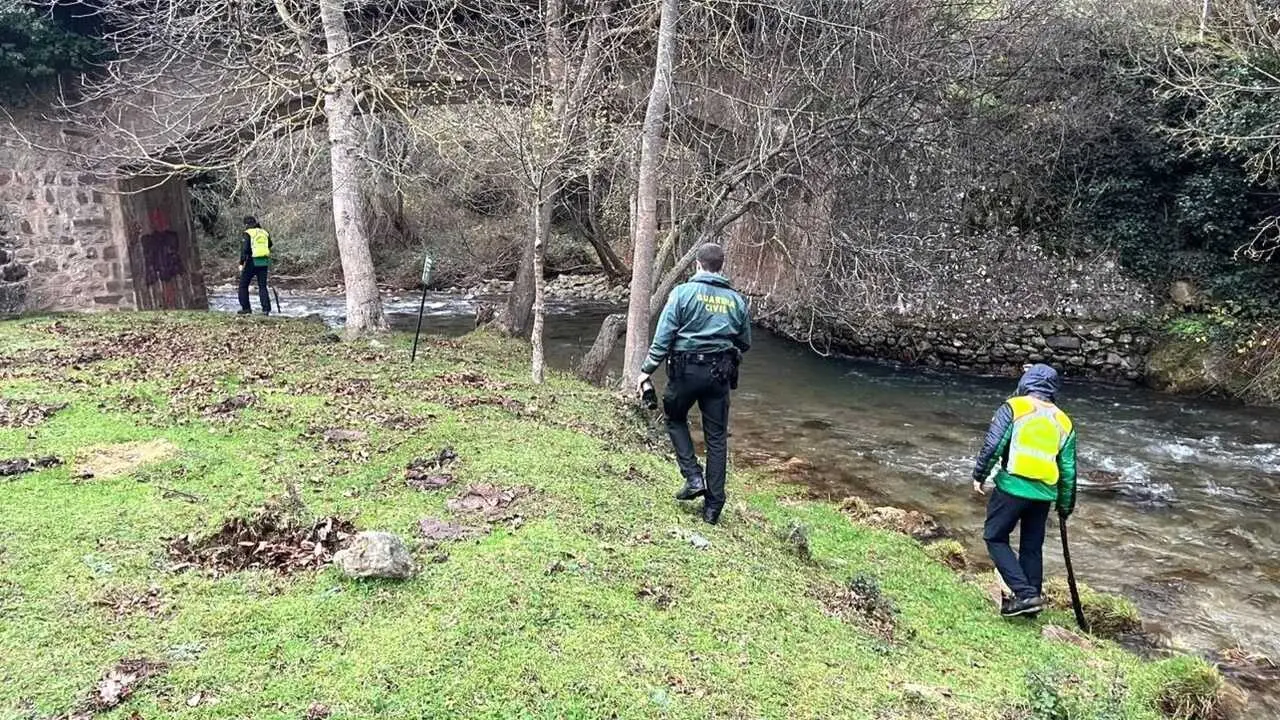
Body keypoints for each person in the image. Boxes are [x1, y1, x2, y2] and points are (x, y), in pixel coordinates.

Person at [637, 243, 751, 525]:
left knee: (674, 418)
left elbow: (664, 338)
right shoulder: (736, 300)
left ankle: (692, 476)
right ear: (720, 267)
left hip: (685, 371)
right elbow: (745, 342)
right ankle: (713, 509)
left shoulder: (682, 294)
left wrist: (646, 371)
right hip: (720, 376)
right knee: (716, 439)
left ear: (697, 265)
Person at [971, 363, 1078, 617]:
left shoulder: (1015, 407)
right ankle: (1032, 603)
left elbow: (993, 444)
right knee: (1032, 546)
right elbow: (1069, 470)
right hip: (1043, 494)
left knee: (994, 537)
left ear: (1026, 383)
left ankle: (1026, 595)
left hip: (1012, 487)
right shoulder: (1064, 421)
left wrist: (980, 475)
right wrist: (1065, 505)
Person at [237, 215, 272, 316]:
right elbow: (270, 244)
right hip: (264, 261)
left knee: (243, 285)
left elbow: (245, 249)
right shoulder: (264, 232)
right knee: (262, 286)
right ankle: (266, 310)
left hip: (252, 261)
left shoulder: (248, 233)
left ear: (246, 224)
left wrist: (241, 263)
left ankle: (246, 308)